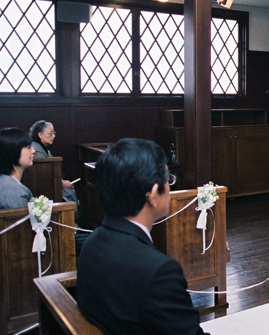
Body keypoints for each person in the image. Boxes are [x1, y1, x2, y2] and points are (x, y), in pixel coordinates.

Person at [76, 138, 207, 335]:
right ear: (154, 195)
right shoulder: (159, 272)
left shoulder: (92, 242)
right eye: (168, 179)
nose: (170, 186)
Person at [29, 120, 79, 207]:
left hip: (52, 183)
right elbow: (43, 176)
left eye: (54, 133)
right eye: (50, 133)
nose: (53, 136)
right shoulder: (36, 150)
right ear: (40, 135)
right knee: (69, 192)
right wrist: (62, 183)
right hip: (45, 189)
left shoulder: (41, 148)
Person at [0, 127, 34, 209]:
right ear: (13, 152)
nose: (33, 150)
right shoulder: (14, 191)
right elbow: (22, 221)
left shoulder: (0, 180)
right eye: (28, 147)